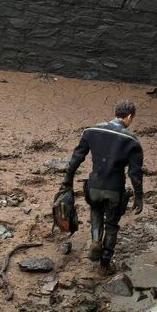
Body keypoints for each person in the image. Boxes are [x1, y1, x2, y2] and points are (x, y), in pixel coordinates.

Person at [61, 100, 144, 270]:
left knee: (96, 210)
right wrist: (139, 196)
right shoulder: (132, 142)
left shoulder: (92, 131)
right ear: (129, 117)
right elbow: (135, 173)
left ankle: (96, 240)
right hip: (115, 189)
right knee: (112, 224)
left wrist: (67, 180)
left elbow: (77, 158)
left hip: (94, 186)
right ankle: (105, 260)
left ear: (115, 113)